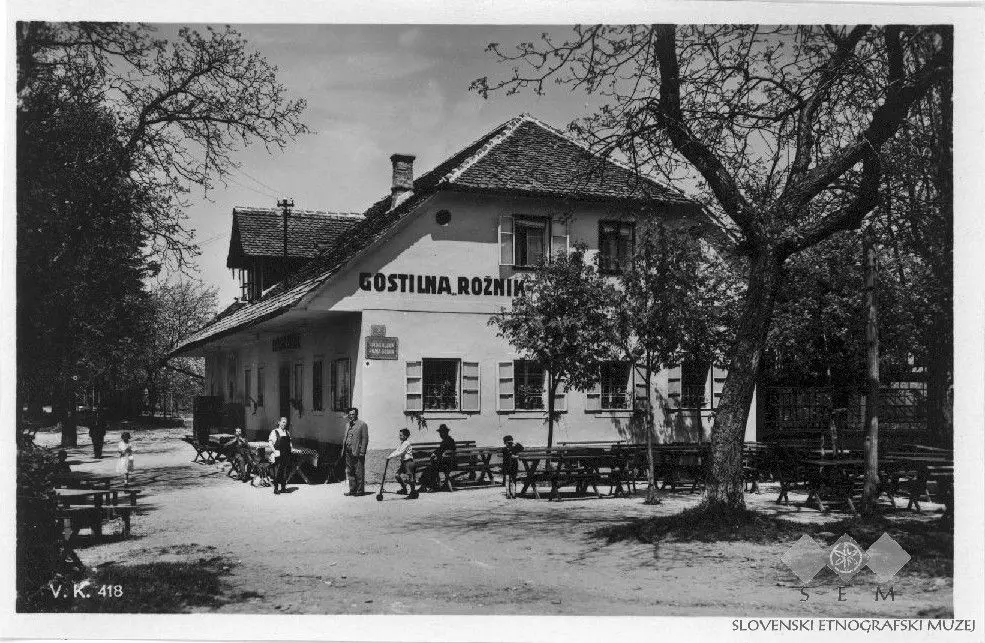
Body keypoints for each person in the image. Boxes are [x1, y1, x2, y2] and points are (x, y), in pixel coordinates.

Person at [342, 407, 369, 496]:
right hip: (348, 451)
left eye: (353, 414)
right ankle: (352, 490)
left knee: (359, 471)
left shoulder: (362, 424)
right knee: (350, 471)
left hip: (357, 451)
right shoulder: (347, 425)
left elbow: (365, 439)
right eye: (349, 415)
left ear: (356, 414)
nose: (351, 416)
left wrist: (362, 451)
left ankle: (360, 491)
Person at [420, 424, 456, 492]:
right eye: (440, 433)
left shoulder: (446, 441)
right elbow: (441, 450)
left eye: (441, 432)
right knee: (431, 467)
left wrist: (434, 454)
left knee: (430, 468)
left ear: (445, 432)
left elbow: (441, 450)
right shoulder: (450, 440)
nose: (440, 434)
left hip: (446, 465)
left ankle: (430, 486)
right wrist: (435, 453)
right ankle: (426, 486)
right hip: (452, 463)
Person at [387, 428, 418, 499]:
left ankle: (413, 492)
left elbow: (400, 452)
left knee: (410, 478)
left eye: (401, 435)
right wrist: (389, 456)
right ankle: (404, 489)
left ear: (405, 436)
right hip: (403, 463)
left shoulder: (407, 443)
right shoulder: (402, 443)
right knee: (397, 475)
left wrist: (391, 456)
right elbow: (397, 450)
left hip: (409, 462)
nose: (399, 437)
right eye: (399, 435)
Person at [268, 417, 292, 494]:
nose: (284, 424)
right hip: (278, 454)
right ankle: (276, 489)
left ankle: (283, 488)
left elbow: (290, 443)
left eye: (285, 422)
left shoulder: (287, 432)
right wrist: (274, 452)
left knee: (284, 471)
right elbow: (270, 443)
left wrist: (290, 448)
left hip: (286, 454)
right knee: (278, 471)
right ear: (279, 422)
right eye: (282, 422)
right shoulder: (274, 432)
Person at [501, 434, 525, 499]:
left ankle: (511, 493)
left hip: (509, 466)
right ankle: (510, 494)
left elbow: (521, 448)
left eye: (509, 442)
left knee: (510, 480)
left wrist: (515, 444)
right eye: (508, 442)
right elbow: (510, 455)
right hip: (510, 466)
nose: (508, 444)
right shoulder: (506, 449)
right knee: (510, 480)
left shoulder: (510, 448)